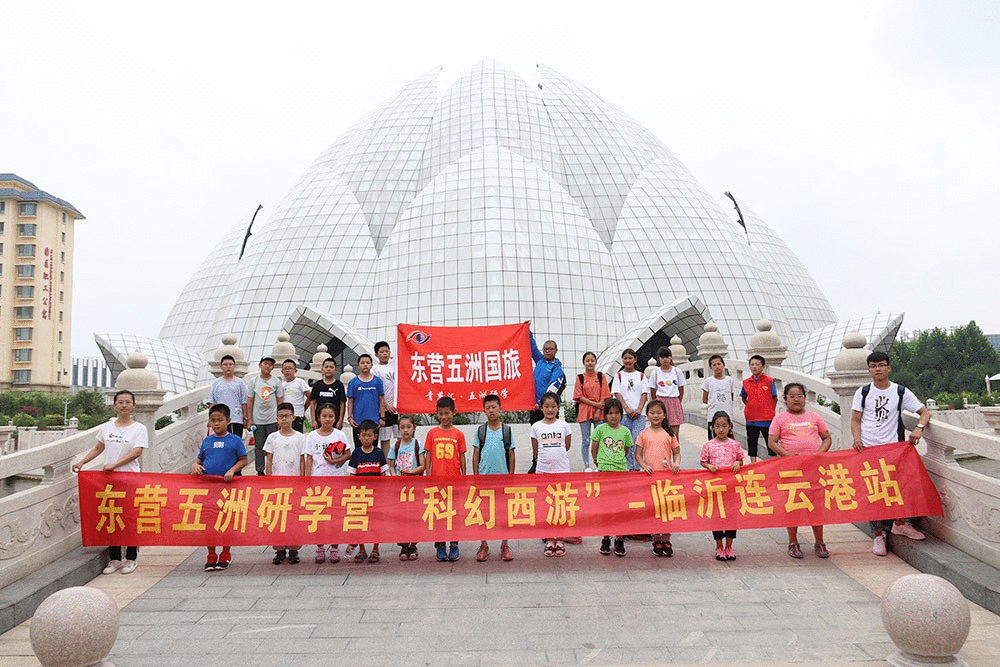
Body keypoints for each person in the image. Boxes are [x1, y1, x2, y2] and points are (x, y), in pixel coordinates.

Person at [851, 350, 932, 556]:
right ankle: (878, 535)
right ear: (869, 370)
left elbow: (924, 412)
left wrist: (919, 428)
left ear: (889, 368)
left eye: (881, 365)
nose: (877, 369)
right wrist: (857, 438)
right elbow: (855, 420)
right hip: (869, 450)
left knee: (902, 487)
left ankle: (900, 523)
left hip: (894, 450)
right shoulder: (863, 392)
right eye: (873, 366)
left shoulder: (900, 391)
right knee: (873, 492)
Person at [72, 389, 148, 575]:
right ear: (114, 405)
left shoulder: (139, 428)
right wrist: (82, 462)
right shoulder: (107, 427)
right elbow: (98, 448)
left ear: (133, 405)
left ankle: (131, 558)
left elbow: (137, 452)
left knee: (129, 518)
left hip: (129, 479)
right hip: (109, 480)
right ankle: (115, 559)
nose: (124, 405)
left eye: (128, 402)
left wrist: (115, 464)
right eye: (120, 402)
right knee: (112, 517)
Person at [768, 383, 833, 559]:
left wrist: (819, 454)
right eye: (792, 396)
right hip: (791, 469)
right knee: (793, 504)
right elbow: (772, 442)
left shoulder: (814, 416)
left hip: (813, 468)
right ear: (785, 399)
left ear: (805, 398)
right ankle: (793, 543)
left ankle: (819, 542)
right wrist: (788, 455)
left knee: (816, 504)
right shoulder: (780, 419)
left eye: (799, 396)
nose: (796, 399)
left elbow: (827, 438)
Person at [192, 404, 247, 571]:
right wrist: (195, 465)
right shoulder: (207, 441)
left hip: (228, 488)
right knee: (209, 521)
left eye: (220, 420)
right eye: (213, 420)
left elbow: (243, 459)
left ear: (228, 421)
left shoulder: (235, 440)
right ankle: (211, 555)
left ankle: (225, 553)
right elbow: (200, 459)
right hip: (209, 488)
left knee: (226, 521)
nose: (216, 423)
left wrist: (232, 470)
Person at [303, 403, 351, 564]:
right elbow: (309, 458)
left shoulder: (339, 435)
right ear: (318, 417)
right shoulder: (311, 436)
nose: (327, 419)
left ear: (335, 418)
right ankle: (320, 547)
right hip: (318, 480)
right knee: (319, 515)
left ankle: (335, 547)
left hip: (336, 479)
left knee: (335, 514)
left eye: (331, 416)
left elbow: (348, 454)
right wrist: (307, 480)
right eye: (324, 416)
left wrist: (335, 461)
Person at [635, 400, 681, 557]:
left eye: (659, 413)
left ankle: (666, 539)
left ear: (664, 415)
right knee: (654, 509)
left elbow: (677, 452)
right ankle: (656, 540)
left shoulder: (669, 434)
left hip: (667, 479)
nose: (655, 416)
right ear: (647, 415)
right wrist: (643, 466)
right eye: (652, 413)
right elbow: (637, 455)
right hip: (650, 478)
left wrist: (676, 463)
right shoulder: (643, 434)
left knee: (666, 509)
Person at [473, 394, 515, 562]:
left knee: (503, 513)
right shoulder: (481, 431)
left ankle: (505, 544)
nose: (491, 411)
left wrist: (511, 477)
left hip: (503, 479)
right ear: (484, 411)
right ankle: (484, 544)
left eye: (494, 407)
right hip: (484, 480)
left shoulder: (507, 430)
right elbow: (475, 454)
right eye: (488, 408)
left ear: (500, 409)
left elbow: (511, 454)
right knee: (484, 513)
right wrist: (476, 477)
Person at [590, 398, 634, 557]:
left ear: (621, 414)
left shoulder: (625, 431)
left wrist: (617, 461)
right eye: (610, 413)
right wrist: (597, 461)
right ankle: (606, 537)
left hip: (621, 472)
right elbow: (594, 448)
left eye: (616, 413)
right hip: (604, 473)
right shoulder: (600, 429)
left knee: (620, 507)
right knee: (606, 507)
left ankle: (619, 538)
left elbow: (627, 450)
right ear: (605, 415)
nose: (613, 416)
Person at [425, 396, 466, 561]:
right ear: (436, 413)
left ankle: (454, 544)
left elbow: (462, 456)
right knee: (438, 512)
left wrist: (464, 476)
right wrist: (428, 476)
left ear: (454, 412)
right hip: (437, 480)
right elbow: (428, 456)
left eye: (447, 413)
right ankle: (440, 544)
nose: (444, 417)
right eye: (441, 414)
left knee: (453, 513)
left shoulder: (458, 434)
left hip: (454, 481)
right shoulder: (432, 433)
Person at [700, 411, 745, 561]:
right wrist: (709, 466)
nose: (721, 429)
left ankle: (729, 546)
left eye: (724, 426)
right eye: (717, 426)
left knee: (731, 516)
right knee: (717, 515)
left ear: (730, 427)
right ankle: (719, 546)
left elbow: (740, 460)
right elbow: (703, 461)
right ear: (712, 427)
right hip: (715, 487)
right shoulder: (708, 445)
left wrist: (737, 463)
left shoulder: (735, 444)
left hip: (731, 487)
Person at [264, 403, 305, 564]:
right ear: (277, 419)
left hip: (294, 483)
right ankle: (279, 549)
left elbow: (302, 460)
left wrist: (303, 480)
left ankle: (294, 549)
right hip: (277, 484)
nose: (284, 419)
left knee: (293, 518)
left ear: (293, 417)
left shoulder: (300, 437)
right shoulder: (272, 437)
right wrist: (268, 480)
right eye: (281, 417)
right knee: (277, 517)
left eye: (287, 416)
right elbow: (268, 460)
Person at [531, 392, 572, 557]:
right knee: (546, 505)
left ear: (558, 408)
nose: (550, 410)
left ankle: (560, 539)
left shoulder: (564, 426)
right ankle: (549, 539)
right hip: (543, 471)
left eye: (553, 406)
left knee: (560, 504)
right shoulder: (536, 427)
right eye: (546, 406)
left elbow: (566, 446)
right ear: (541, 408)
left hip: (561, 470)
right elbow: (535, 450)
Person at [346, 420, 389, 563]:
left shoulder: (379, 453)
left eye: (369, 435)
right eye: (363, 435)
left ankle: (376, 548)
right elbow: (352, 475)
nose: (366, 438)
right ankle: (362, 549)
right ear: (358, 437)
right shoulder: (356, 454)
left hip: (376, 496)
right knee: (360, 523)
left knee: (376, 523)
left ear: (375, 437)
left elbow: (383, 473)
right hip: (360, 496)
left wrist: (384, 491)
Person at [387, 414, 425, 561]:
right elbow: (391, 465)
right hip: (400, 489)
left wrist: (411, 472)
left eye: (408, 427)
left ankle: (413, 544)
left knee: (414, 515)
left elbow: (422, 466)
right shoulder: (395, 446)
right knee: (401, 516)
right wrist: (394, 476)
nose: (405, 430)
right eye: (402, 427)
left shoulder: (417, 444)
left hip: (415, 487)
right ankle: (403, 545)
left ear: (414, 428)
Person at [572, 351, 610, 472]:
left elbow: (604, 394)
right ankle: (587, 465)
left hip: (599, 410)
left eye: (592, 360)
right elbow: (579, 396)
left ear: (596, 362)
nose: (590, 363)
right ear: (583, 363)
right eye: (587, 361)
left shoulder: (601, 376)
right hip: (585, 411)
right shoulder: (580, 378)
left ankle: (599, 463)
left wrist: (598, 409)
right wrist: (595, 404)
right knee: (586, 440)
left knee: (600, 439)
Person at [612, 348, 648, 471]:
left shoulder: (641, 376)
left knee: (638, 440)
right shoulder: (618, 375)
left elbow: (644, 393)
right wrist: (626, 408)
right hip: (623, 413)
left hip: (639, 414)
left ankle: (637, 467)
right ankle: (627, 467)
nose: (627, 360)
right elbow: (617, 393)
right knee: (625, 440)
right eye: (625, 358)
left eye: (630, 358)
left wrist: (639, 409)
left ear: (635, 359)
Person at [247, 355, 282, 475]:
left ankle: (273, 469)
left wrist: (279, 418)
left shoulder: (276, 382)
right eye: (265, 363)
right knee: (259, 446)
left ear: (273, 367)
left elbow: (280, 400)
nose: (267, 366)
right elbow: (250, 400)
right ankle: (260, 470)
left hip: (272, 419)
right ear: (260, 365)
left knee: (274, 446)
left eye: (270, 364)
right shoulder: (253, 381)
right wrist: (249, 419)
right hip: (258, 420)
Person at [740, 354, 777, 462]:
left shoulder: (770, 381)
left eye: (757, 364)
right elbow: (743, 397)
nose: (754, 367)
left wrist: (768, 408)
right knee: (752, 443)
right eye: (752, 365)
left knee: (771, 444)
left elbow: (775, 397)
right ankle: (753, 464)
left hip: (767, 418)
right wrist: (750, 406)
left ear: (763, 366)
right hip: (751, 418)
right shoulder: (746, 382)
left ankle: (773, 463)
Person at [346, 353, 386, 450]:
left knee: (373, 448)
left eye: (368, 363)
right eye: (362, 363)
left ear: (371, 365)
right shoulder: (353, 382)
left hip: (374, 421)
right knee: (358, 448)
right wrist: (350, 417)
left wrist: (382, 417)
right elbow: (350, 401)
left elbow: (382, 400)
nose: (365, 365)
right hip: (358, 421)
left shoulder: (377, 381)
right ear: (358, 366)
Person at [207, 354, 249, 436]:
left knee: (234, 441)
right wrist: (210, 419)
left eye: (230, 364)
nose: (228, 367)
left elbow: (244, 402)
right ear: (221, 367)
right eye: (225, 365)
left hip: (236, 419)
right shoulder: (216, 383)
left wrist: (245, 418)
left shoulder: (240, 382)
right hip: (219, 420)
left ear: (234, 366)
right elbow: (211, 402)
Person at [528, 333, 565, 426]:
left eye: (550, 349)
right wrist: (528, 333)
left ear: (556, 350)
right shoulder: (540, 360)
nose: (547, 351)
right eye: (545, 349)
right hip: (535, 407)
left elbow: (552, 389)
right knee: (535, 431)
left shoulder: (557, 368)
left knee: (549, 432)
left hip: (547, 408)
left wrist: (541, 404)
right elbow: (533, 349)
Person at [648, 346, 686, 431]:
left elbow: (681, 388)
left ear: (671, 357)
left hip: (674, 401)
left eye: (667, 357)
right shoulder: (655, 373)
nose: (665, 359)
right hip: (660, 401)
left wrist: (677, 400)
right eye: (662, 357)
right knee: (660, 428)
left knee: (674, 430)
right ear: (659, 359)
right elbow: (653, 390)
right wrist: (656, 402)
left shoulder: (677, 371)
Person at [372, 341, 399, 455]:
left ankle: (400, 461)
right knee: (385, 439)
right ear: (376, 354)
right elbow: (376, 391)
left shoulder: (394, 365)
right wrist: (385, 405)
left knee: (401, 437)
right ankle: (387, 463)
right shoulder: (375, 369)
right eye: (382, 352)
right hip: (384, 410)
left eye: (387, 351)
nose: (385, 354)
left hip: (398, 408)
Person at [701, 354, 735, 440]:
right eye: (714, 365)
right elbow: (704, 398)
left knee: (728, 441)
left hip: (727, 415)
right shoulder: (708, 381)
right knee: (713, 441)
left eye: (719, 364)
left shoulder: (729, 380)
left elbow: (731, 396)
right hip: (712, 416)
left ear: (723, 365)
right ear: (710, 367)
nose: (717, 367)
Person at [309, 357, 347, 430]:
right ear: (322, 370)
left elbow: (342, 404)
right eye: (326, 367)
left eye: (331, 367)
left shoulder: (339, 385)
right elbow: (312, 403)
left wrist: (340, 421)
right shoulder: (317, 385)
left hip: (334, 420)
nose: (328, 369)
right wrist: (313, 420)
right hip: (320, 420)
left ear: (335, 370)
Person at [278, 359, 311, 432]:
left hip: (297, 415)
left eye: (290, 368)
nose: (287, 371)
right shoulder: (282, 385)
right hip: (285, 416)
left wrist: (304, 408)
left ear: (295, 371)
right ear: (282, 371)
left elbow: (310, 396)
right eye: (285, 369)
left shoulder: (300, 382)